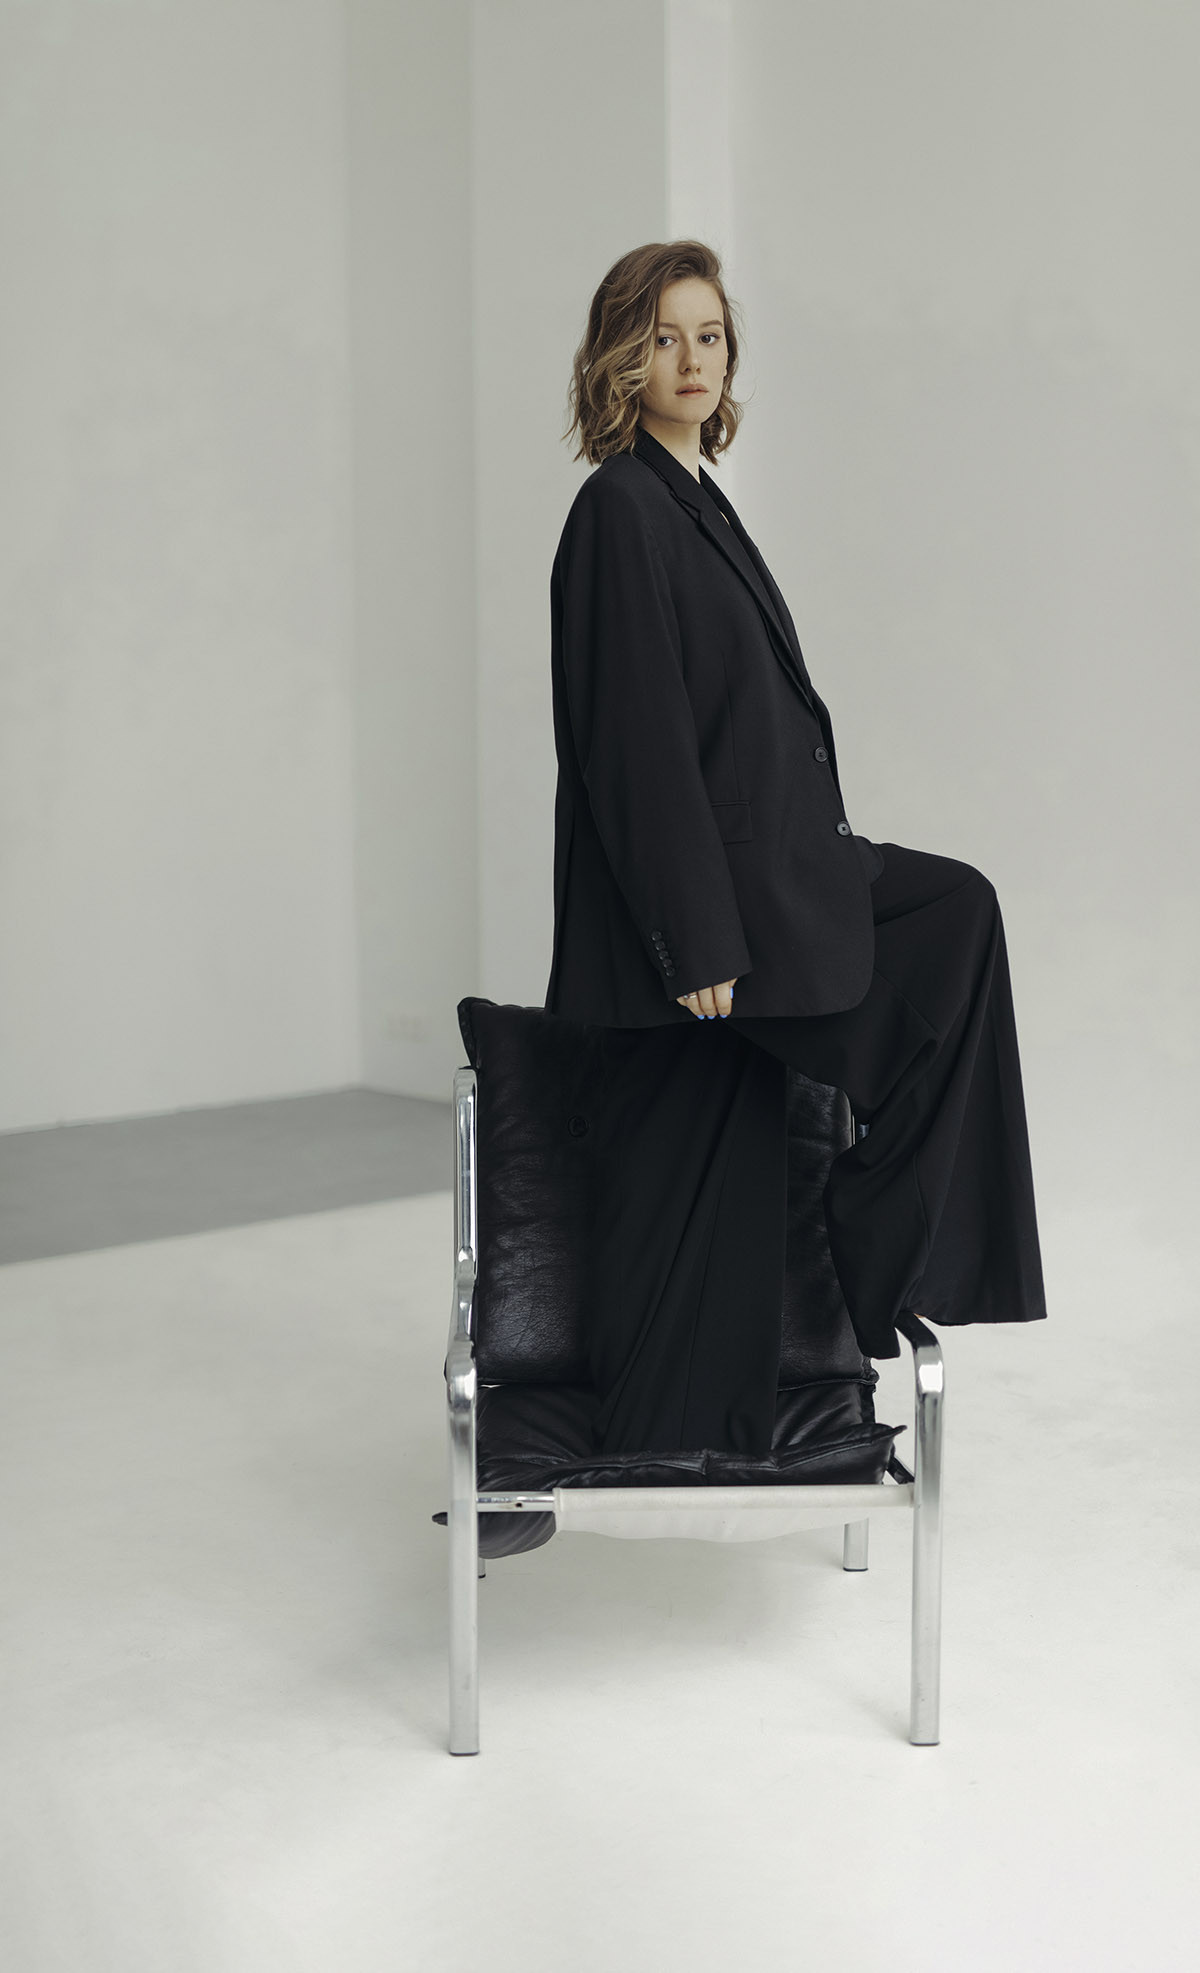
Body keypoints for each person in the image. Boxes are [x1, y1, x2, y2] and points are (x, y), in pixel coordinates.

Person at [544, 239, 1048, 1458]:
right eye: (663, 337)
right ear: (621, 357)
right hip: (723, 915)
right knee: (952, 921)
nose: (692, 359)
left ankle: (876, 1245)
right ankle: (867, 1244)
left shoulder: (694, 499)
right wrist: (695, 939)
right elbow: (635, 741)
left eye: (709, 335)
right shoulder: (619, 507)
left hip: (776, 874)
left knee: (958, 915)